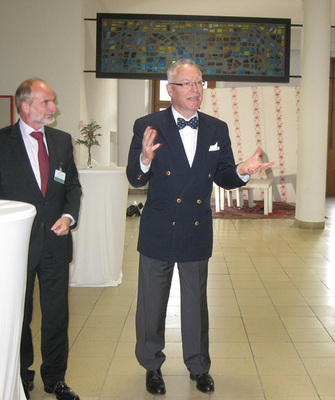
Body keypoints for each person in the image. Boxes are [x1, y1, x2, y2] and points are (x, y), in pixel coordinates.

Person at [126, 58, 274, 395]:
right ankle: (152, 366)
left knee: (195, 304)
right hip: (158, 229)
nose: (196, 90)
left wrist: (242, 170)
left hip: (195, 228)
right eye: (188, 84)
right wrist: (145, 159)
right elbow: (134, 177)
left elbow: (223, 176)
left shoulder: (215, 128)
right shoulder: (148, 125)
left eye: (200, 83)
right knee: (152, 306)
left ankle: (198, 366)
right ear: (170, 90)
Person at [0, 78, 82, 400]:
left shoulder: (61, 141)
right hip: (15, 248)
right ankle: (21, 375)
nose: (54, 108)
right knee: (19, 313)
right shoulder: (2, 143)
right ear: (25, 106)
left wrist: (68, 216)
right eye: (46, 102)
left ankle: (56, 378)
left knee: (56, 313)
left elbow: (72, 186)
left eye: (53, 102)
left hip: (56, 243)